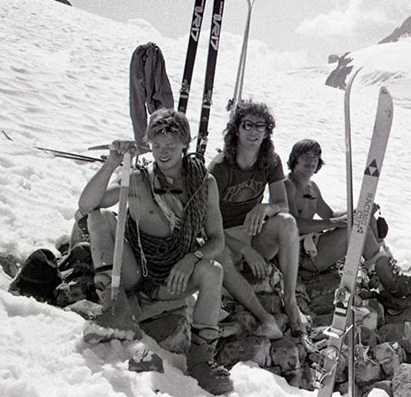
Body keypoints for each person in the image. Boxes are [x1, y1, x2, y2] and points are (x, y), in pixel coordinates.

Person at [77, 108, 232, 395]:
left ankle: (200, 360)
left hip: (174, 280)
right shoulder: (136, 179)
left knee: (214, 269)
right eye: (157, 145)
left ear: (185, 144)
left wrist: (191, 258)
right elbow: (87, 205)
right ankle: (116, 309)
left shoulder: (203, 183)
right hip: (137, 273)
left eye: (170, 146)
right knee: (99, 217)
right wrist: (112, 162)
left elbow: (217, 241)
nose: (163, 152)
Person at [209, 101, 304, 340]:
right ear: (236, 130)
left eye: (259, 126)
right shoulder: (220, 167)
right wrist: (244, 250)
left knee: (287, 222)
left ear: (266, 131)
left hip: (254, 232)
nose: (253, 132)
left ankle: (290, 301)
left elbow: (283, 205)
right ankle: (265, 318)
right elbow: (206, 221)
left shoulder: (270, 161)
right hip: (224, 236)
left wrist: (265, 207)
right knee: (219, 257)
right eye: (247, 125)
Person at [284, 139, 411, 297]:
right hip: (300, 254)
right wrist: (334, 223)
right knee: (357, 230)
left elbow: (329, 215)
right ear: (295, 158)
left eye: (315, 156)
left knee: (365, 218)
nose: (311, 161)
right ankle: (392, 282)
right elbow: (293, 224)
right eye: (306, 156)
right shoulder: (287, 184)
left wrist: (359, 211)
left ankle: (388, 269)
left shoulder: (312, 187)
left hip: (314, 247)